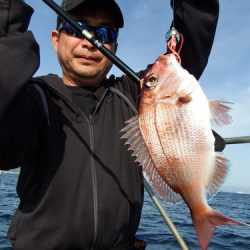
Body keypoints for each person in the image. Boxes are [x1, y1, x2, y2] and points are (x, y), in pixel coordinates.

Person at [0, 0, 220, 249]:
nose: (89, 41)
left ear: (114, 46)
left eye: (105, 33)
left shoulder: (136, 94)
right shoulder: (33, 99)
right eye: (76, 28)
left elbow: (186, 49)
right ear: (55, 39)